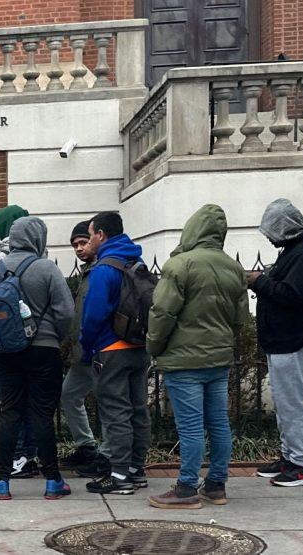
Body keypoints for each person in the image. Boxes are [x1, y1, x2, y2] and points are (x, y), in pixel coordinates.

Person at [147, 204, 249, 509]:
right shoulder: (233, 267)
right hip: (218, 359)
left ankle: (187, 488)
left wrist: (154, 347)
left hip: (183, 360)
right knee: (218, 423)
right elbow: (240, 319)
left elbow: (162, 313)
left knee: (190, 427)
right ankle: (216, 485)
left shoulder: (179, 265)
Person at [0, 216, 76, 500]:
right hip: (43, 351)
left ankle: (1, 482)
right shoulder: (46, 268)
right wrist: (54, 336)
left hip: (5, 353)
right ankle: (53, 481)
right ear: (37, 238)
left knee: (10, 413)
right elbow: (67, 312)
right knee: (42, 414)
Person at [248, 199, 303, 488]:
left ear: (283, 229)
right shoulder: (296, 252)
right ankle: (290, 456)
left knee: (293, 402)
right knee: (285, 401)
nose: (269, 238)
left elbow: (292, 294)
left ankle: (301, 464)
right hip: (284, 338)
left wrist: (258, 281)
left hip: (294, 337)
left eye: (271, 231)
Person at [82, 211, 151, 496]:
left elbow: (93, 315)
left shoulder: (104, 268)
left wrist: (87, 347)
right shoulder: (136, 261)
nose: (89, 240)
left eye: (90, 234)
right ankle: (135, 470)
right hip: (139, 346)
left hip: (111, 349)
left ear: (101, 235)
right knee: (138, 409)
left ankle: (119, 475)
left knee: (116, 414)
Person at [58, 220, 108, 475]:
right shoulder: (87, 272)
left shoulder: (102, 270)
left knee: (108, 403)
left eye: (83, 242)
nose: (78, 248)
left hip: (101, 351)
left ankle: (108, 458)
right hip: (83, 352)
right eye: (75, 244)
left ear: (97, 239)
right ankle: (87, 446)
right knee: (68, 394)